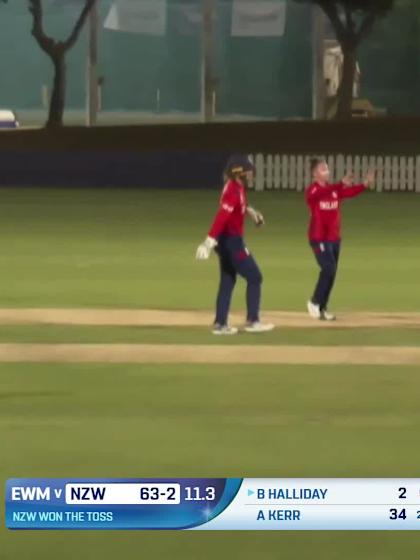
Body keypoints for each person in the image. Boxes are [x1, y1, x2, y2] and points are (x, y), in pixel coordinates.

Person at [195, 155, 274, 335]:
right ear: (239, 173)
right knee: (255, 277)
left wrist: (252, 213)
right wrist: (208, 241)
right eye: (248, 172)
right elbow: (222, 216)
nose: (251, 175)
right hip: (232, 242)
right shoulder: (233, 190)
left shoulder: (235, 187)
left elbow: (239, 206)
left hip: (225, 242)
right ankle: (253, 321)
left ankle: (220, 324)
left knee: (228, 280)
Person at [305, 158, 375, 321]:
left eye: (327, 168)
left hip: (334, 238)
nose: (327, 171)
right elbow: (325, 192)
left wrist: (364, 184)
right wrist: (339, 183)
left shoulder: (334, 191)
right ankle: (314, 301)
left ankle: (322, 307)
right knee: (328, 268)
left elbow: (349, 192)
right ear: (315, 173)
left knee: (332, 273)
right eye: (323, 169)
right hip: (318, 238)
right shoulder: (312, 191)